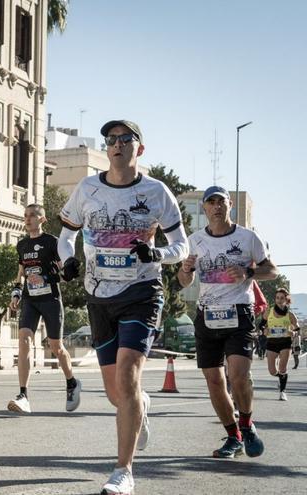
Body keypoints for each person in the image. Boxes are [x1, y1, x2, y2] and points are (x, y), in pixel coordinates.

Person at [58, 121, 188, 494]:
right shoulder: (87, 188)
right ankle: (139, 407)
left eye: (124, 139)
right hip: (99, 297)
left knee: (128, 377)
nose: (116, 145)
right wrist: (68, 260)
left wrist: (158, 253)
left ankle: (123, 471)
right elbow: (66, 237)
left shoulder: (156, 192)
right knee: (118, 395)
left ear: (139, 149)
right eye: (111, 140)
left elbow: (183, 246)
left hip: (141, 292)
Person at [179, 185, 277, 458]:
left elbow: (272, 270)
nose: (216, 207)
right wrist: (186, 270)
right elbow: (183, 280)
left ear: (229, 205)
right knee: (214, 380)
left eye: (221, 201)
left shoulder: (248, 238)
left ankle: (246, 425)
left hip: (239, 312)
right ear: (204, 208)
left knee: (238, 375)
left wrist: (248, 271)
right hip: (207, 314)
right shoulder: (194, 240)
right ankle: (233, 435)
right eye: (210, 202)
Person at [7, 204, 81, 414]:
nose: (28, 219)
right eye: (25, 216)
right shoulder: (21, 245)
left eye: (33, 215)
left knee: (56, 347)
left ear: (43, 219)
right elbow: (21, 272)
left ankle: (72, 383)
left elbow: (63, 272)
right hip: (30, 300)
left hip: (50, 299)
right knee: (23, 341)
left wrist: (62, 273)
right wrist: (16, 293)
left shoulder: (51, 242)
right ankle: (23, 395)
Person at [259, 287, 298, 400]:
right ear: (275, 299)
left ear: (286, 300)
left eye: (282, 298)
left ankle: (282, 391)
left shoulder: (290, 315)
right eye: (277, 298)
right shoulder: (269, 312)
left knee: (282, 368)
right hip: (272, 343)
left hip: (285, 343)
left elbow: (297, 329)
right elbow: (261, 325)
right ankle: (281, 379)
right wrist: (263, 330)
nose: (279, 300)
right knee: (272, 371)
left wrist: (293, 333)